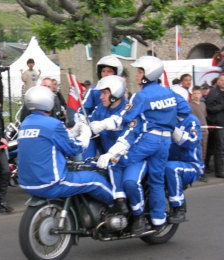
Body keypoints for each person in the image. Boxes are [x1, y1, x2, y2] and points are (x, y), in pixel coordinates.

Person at [92, 56, 191, 232]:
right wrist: (168, 122)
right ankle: (159, 219)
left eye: (140, 71)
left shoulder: (141, 96)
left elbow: (126, 118)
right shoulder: (169, 92)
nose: (137, 75)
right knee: (157, 180)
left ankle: (127, 209)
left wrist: (104, 124)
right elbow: (185, 111)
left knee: (116, 162)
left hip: (147, 140)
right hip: (165, 141)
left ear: (148, 74)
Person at [17, 86, 113, 206]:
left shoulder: (26, 123)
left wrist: (73, 131)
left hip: (27, 184)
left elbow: (53, 139)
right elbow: (74, 148)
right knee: (96, 180)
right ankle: (116, 207)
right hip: (51, 183)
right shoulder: (53, 124)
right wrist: (85, 135)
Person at [88, 75, 145, 216]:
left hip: (131, 158)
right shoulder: (101, 108)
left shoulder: (129, 110)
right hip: (110, 160)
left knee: (130, 184)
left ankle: (139, 216)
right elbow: (88, 121)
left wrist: (110, 153)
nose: (101, 97)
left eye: (104, 93)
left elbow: (128, 137)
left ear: (115, 93)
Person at [165, 114, 204, 223]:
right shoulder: (163, 117)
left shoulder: (191, 121)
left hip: (190, 164)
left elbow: (191, 142)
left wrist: (174, 130)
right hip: (166, 160)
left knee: (172, 169)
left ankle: (179, 208)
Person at [205, 73, 224, 178]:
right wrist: (221, 106)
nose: (223, 82)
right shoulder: (213, 93)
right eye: (221, 80)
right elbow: (210, 108)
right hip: (218, 124)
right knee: (220, 148)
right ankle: (220, 171)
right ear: (218, 81)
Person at [190, 86, 208, 180]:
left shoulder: (203, 104)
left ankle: (203, 169)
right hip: (196, 130)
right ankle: (198, 170)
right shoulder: (190, 106)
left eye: (198, 93)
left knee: (204, 149)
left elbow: (204, 117)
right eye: (194, 93)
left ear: (201, 94)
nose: (196, 95)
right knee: (198, 150)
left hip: (204, 129)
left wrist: (207, 127)